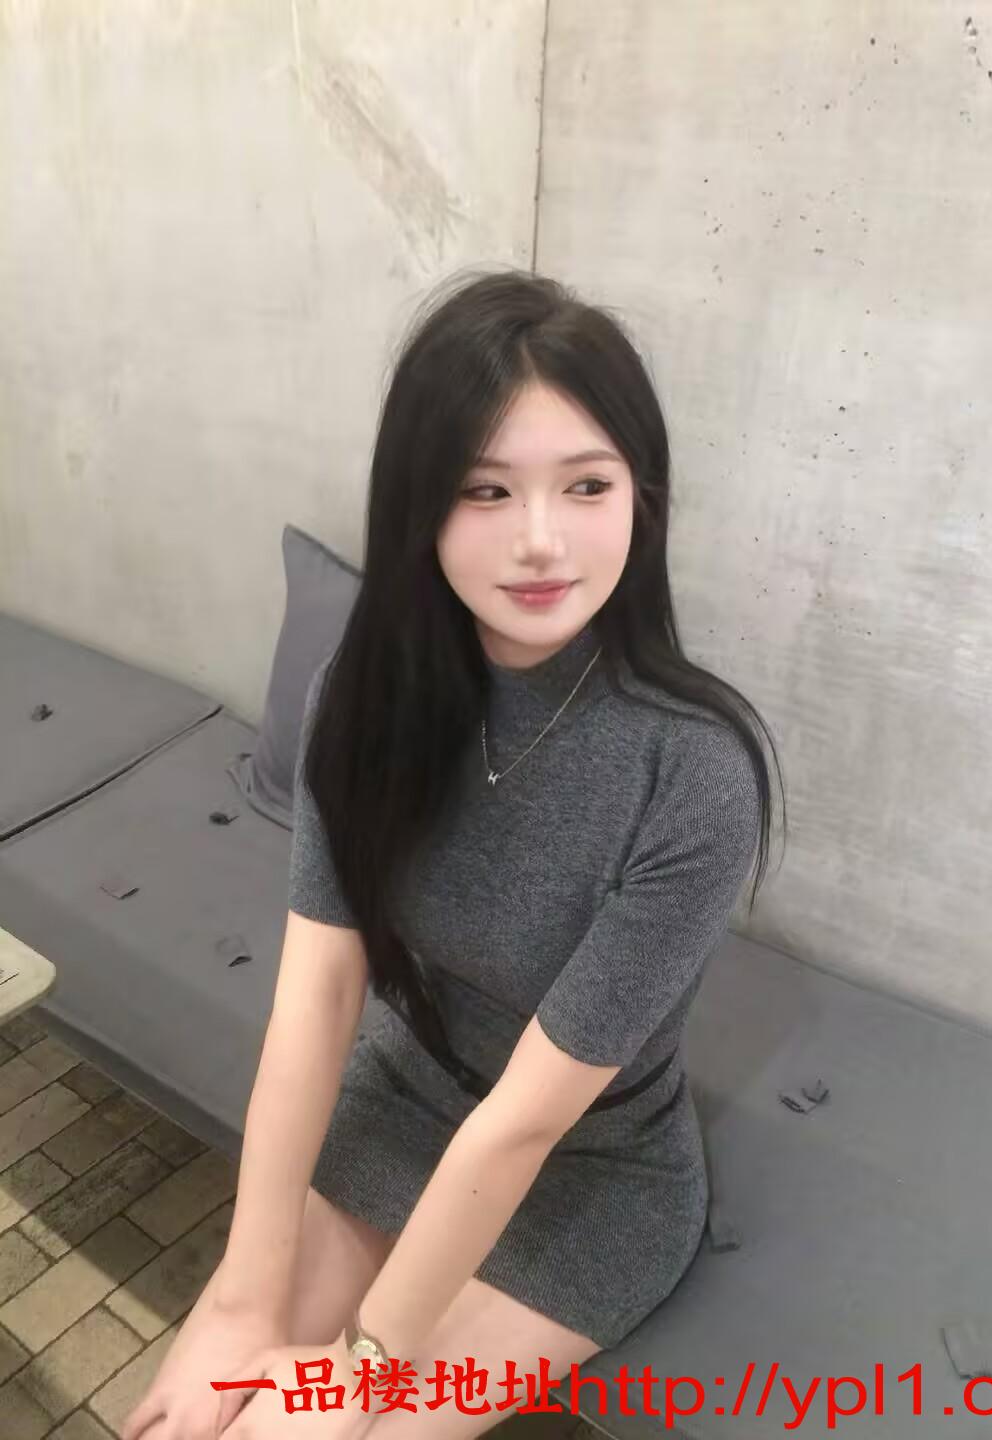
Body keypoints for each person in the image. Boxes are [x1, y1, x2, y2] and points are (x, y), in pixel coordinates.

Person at [121, 267, 784, 1440]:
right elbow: (318, 998)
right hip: (405, 1098)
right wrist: (237, 1298)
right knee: (201, 1412)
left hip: (589, 1173)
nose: (541, 540)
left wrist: (362, 1373)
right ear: (420, 501)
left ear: (643, 496)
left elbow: (525, 1121)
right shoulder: (363, 694)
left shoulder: (694, 772)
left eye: (587, 485)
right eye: (486, 490)